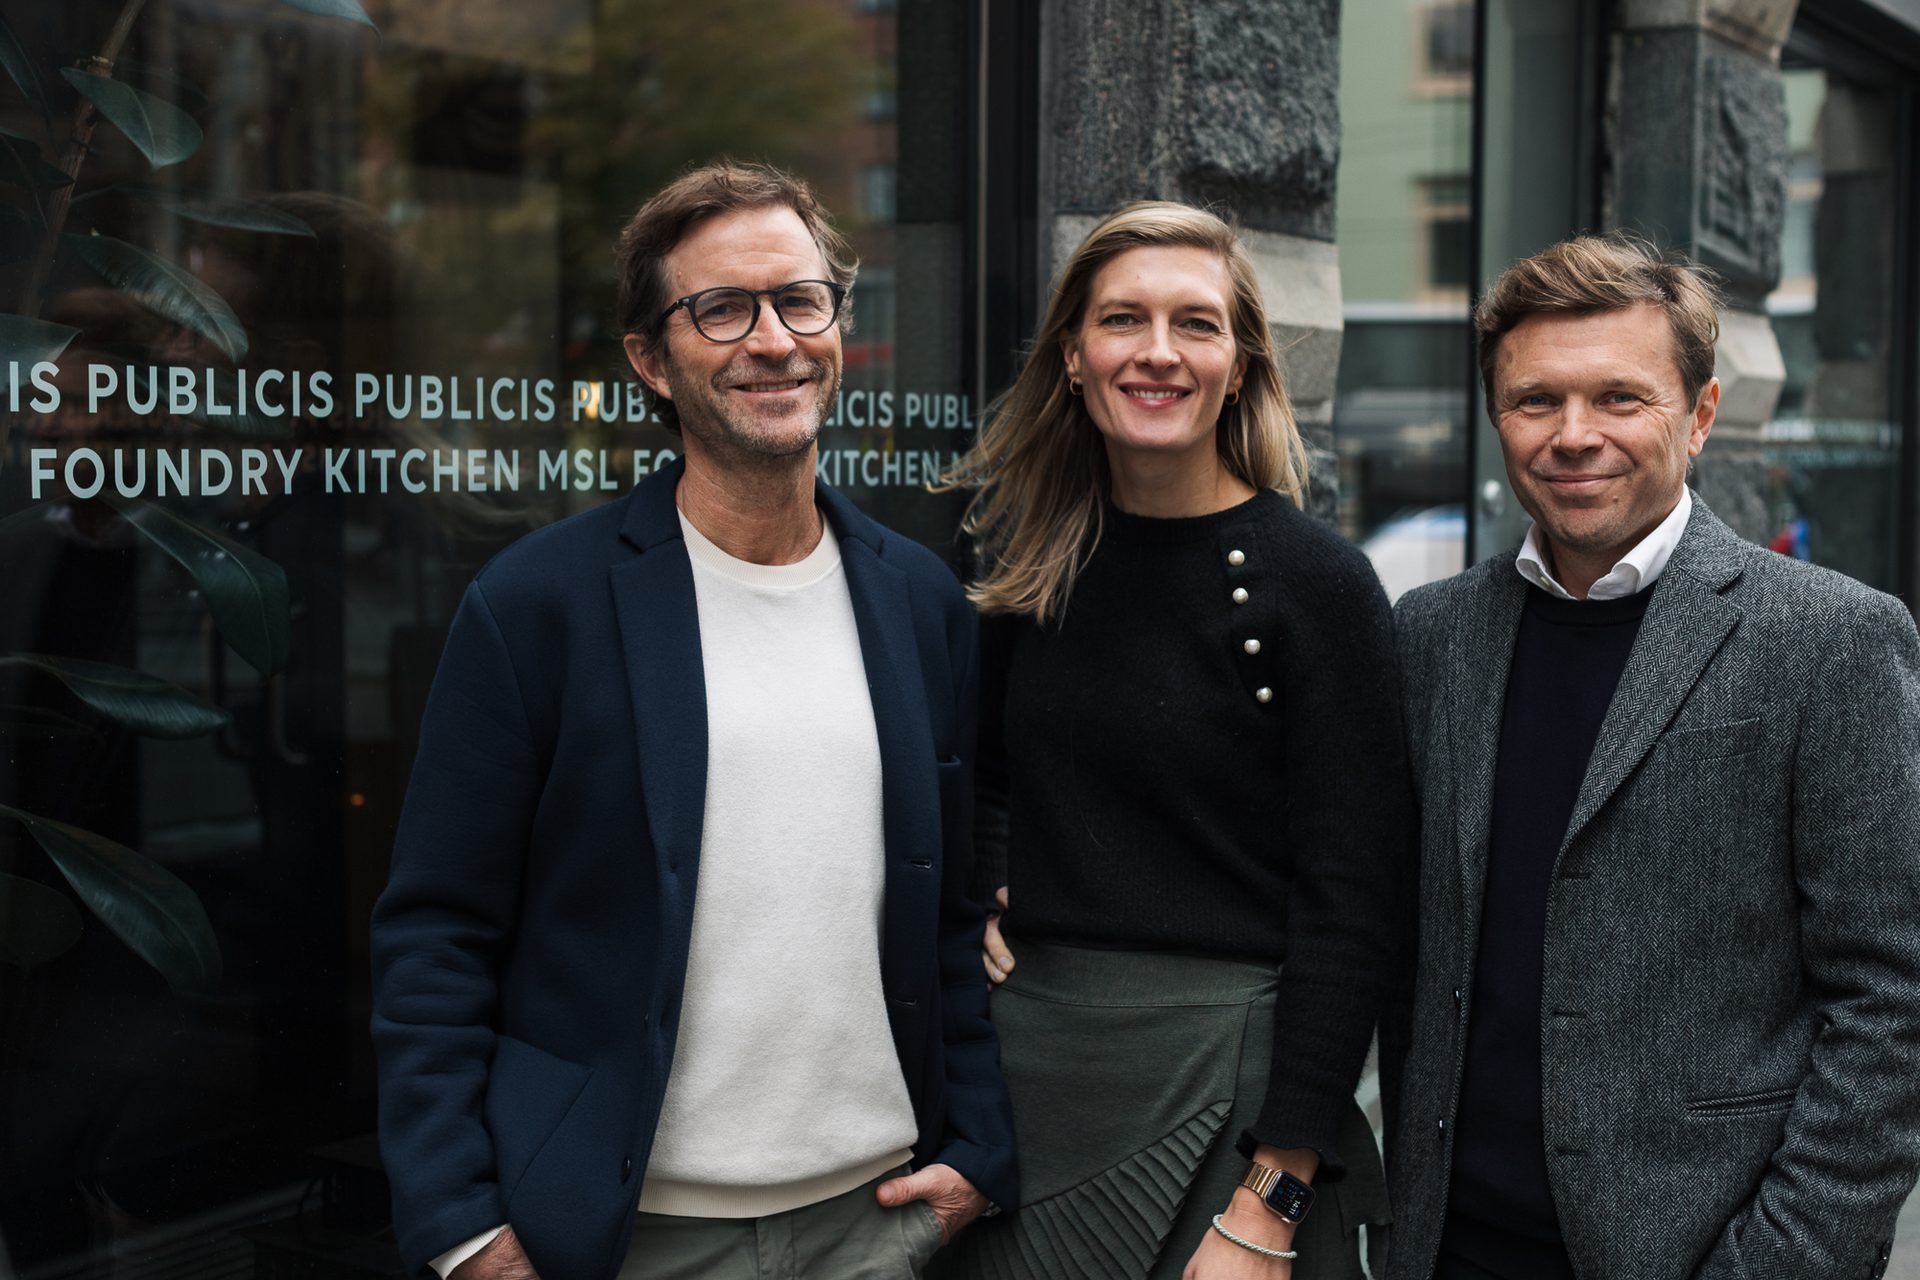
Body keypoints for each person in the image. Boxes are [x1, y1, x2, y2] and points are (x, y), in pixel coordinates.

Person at [370, 160, 1016, 1280]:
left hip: (882, 1223)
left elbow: (952, 909)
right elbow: (437, 935)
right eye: (720, 308)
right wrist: (466, 1229)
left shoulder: (917, 599)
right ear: (650, 359)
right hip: (621, 1238)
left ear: (837, 325)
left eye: (799, 299)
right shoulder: (537, 606)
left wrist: (979, 1151)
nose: (771, 339)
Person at [1384, 233, 1920, 1280]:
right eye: (1536, 400)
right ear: (1499, 417)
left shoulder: (1833, 638)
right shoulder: (1433, 635)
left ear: (1701, 415)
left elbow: (1892, 995)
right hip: (1449, 1247)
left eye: (1620, 398)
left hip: (1703, 1252)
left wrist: (1784, 1260)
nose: (1573, 435)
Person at [934, 201, 1407, 1280]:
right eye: (1122, 320)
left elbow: (1355, 905)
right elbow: (987, 776)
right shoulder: (1023, 560)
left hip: (1236, 1089)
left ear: (1238, 364)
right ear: (1073, 354)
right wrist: (991, 885)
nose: (1158, 352)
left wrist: (1276, 1194)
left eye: (1195, 324)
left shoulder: (1318, 586)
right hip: (1033, 1078)